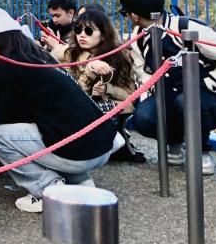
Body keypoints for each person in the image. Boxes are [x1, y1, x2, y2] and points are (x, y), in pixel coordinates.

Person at [0, 4, 118, 213]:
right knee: (52, 127)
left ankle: (48, 189)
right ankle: (79, 182)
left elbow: (1, 117)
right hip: (102, 146)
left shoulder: (10, 71)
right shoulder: (41, 60)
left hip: (78, 154)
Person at [119, 0, 216, 176]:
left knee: (187, 102)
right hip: (169, 94)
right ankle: (175, 142)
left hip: (208, 97)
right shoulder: (139, 36)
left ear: (134, 15)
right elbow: (142, 70)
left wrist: (211, 82)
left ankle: (201, 150)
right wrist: (155, 87)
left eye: (125, 13)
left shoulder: (185, 28)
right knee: (144, 117)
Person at [53, 9, 146, 163]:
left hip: (110, 111)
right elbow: (71, 93)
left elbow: (131, 97)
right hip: (79, 109)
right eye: (78, 29)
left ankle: (116, 144)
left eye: (89, 31)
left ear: (103, 35)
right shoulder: (70, 53)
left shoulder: (120, 56)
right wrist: (89, 68)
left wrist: (107, 89)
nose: (82, 35)